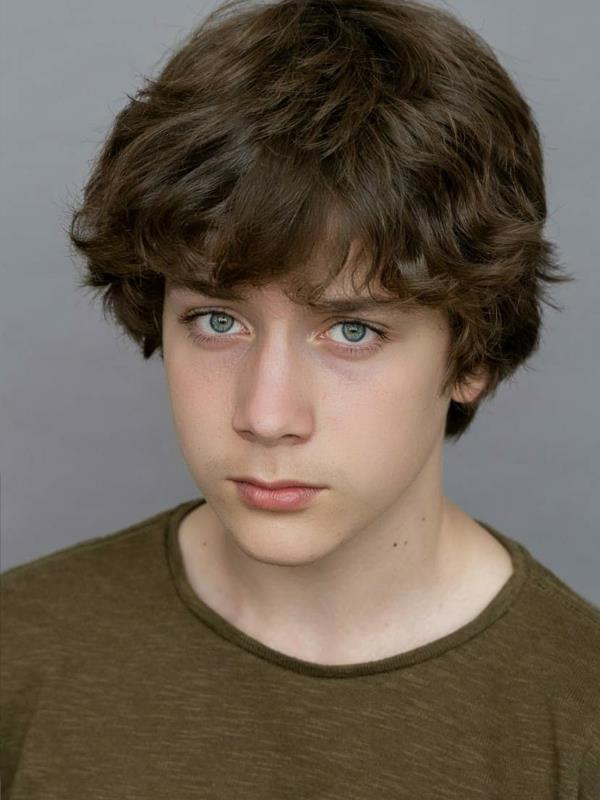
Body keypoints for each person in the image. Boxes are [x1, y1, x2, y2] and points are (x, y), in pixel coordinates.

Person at [1, 0, 598, 796]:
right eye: (218, 322)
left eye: (352, 332)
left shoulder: (578, 718)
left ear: (473, 353)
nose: (266, 415)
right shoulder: (19, 655)